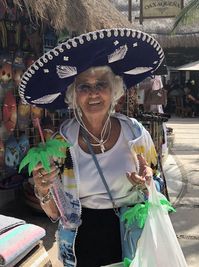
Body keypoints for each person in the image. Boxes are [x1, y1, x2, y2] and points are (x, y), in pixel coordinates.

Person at [18, 28, 165, 267]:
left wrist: (148, 181)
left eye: (101, 84)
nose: (93, 93)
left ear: (114, 90)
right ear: (74, 95)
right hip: (80, 244)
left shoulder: (136, 134)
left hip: (130, 235)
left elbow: (158, 185)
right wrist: (43, 190)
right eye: (84, 86)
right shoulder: (60, 144)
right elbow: (55, 213)